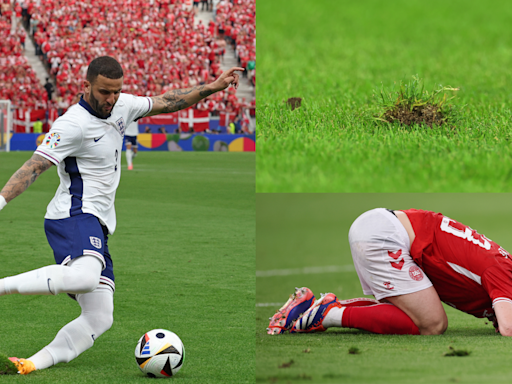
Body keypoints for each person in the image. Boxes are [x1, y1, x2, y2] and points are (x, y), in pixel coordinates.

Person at [0, 56, 243, 375]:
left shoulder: (123, 105)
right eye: (104, 92)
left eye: (116, 91)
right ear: (85, 86)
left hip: (98, 223)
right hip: (73, 214)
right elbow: (33, 167)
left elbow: (168, 102)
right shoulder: (71, 124)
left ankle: (30, 364)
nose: (111, 99)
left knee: (100, 317)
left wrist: (211, 87)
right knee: (85, 278)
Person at [268, 208, 512, 337]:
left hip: (383, 229)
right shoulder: (505, 272)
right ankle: (328, 314)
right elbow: (508, 328)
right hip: (384, 236)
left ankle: (325, 306)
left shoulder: (504, 264)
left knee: (410, 317)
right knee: (433, 324)